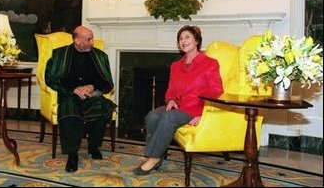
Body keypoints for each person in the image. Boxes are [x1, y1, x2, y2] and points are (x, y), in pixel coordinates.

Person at [133, 25, 223, 175]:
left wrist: (205, 115)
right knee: (153, 115)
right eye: (180, 38)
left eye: (187, 37)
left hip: (196, 109)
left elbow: (217, 91)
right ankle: (158, 154)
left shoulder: (210, 63)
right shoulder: (175, 66)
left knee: (169, 117)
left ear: (197, 41)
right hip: (178, 107)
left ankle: (153, 158)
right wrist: (171, 100)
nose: (183, 41)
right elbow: (171, 89)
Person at [45, 25, 117, 173]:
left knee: (104, 109)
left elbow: (107, 82)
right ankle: (72, 155)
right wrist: (73, 89)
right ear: (77, 40)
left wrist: (91, 86)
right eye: (88, 39)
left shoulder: (100, 56)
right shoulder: (60, 54)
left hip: (92, 94)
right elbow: (50, 78)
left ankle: (93, 145)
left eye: (92, 39)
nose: (92, 42)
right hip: (69, 94)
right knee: (69, 113)